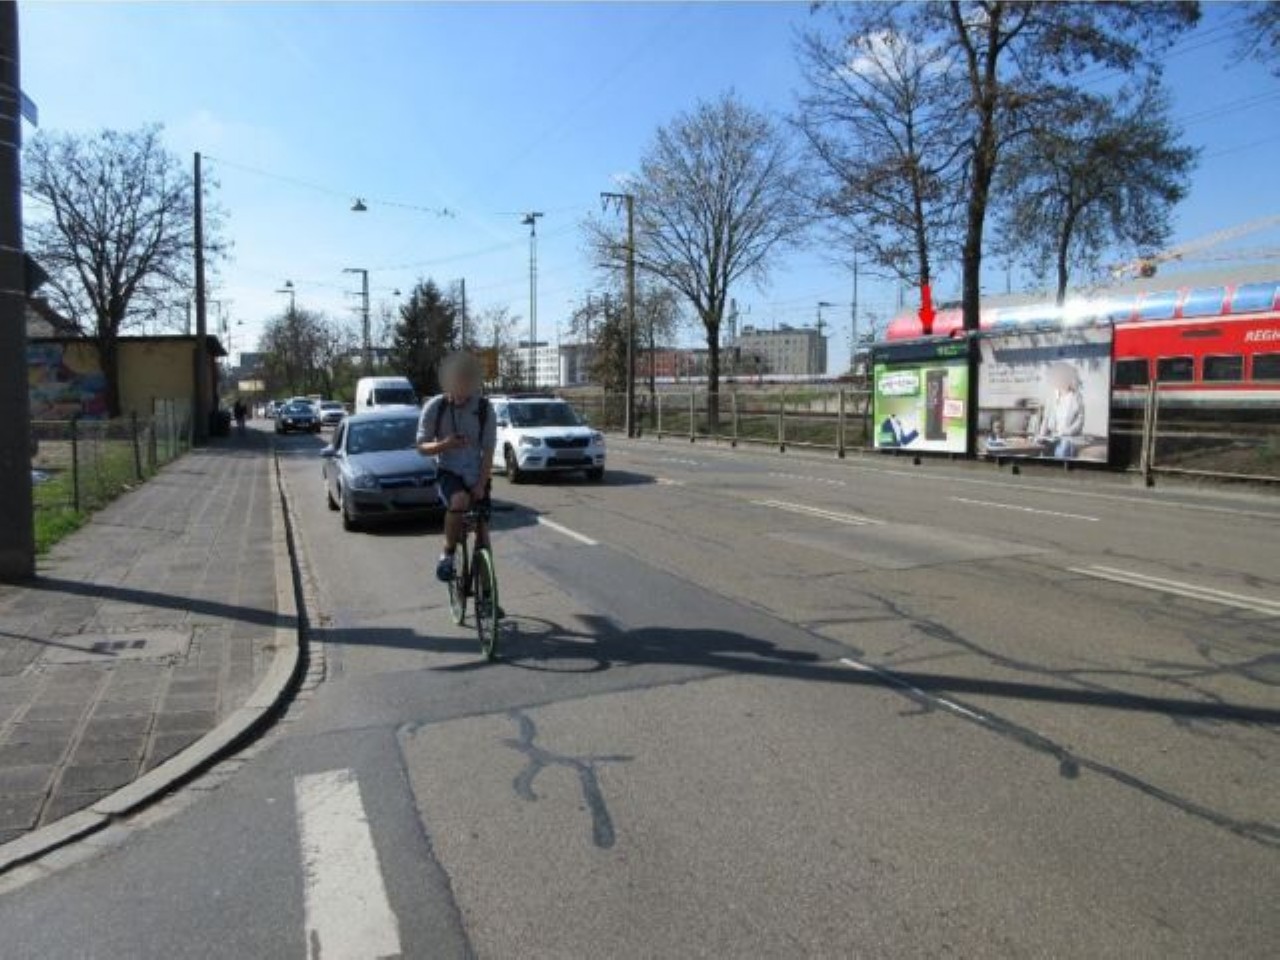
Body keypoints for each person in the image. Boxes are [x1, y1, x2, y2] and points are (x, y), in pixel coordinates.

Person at [416, 352, 496, 584]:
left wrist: (481, 484)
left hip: (477, 473)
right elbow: (421, 447)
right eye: (458, 379)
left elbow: (489, 451)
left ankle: (487, 591)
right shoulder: (435, 407)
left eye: (467, 379)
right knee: (459, 500)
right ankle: (448, 553)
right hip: (449, 471)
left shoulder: (484, 409)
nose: (462, 385)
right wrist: (445, 444)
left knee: (482, 531)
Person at [1034, 362, 1085, 458]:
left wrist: (1064, 433)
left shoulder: (1076, 397)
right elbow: (1046, 419)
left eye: (1063, 378)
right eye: (1057, 378)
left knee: (1063, 448)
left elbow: (1079, 423)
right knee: (1041, 448)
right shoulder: (1052, 397)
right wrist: (1041, 435)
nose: (1060, 380)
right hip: (1052, 436)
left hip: (1069, 437)